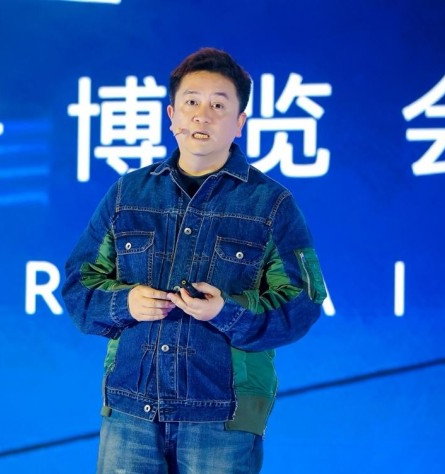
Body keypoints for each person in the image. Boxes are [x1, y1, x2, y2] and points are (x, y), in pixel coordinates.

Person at [61, 47, 326, 474]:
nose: (202, 115)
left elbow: (303, 303)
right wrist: (125, 303)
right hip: (130, 409)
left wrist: (226, 312)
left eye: (218, 105)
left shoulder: (271, 204)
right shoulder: (128, 194)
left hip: (223, 418)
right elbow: (78, 284)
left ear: (239, 123)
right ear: (172, 115)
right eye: (191, 102)